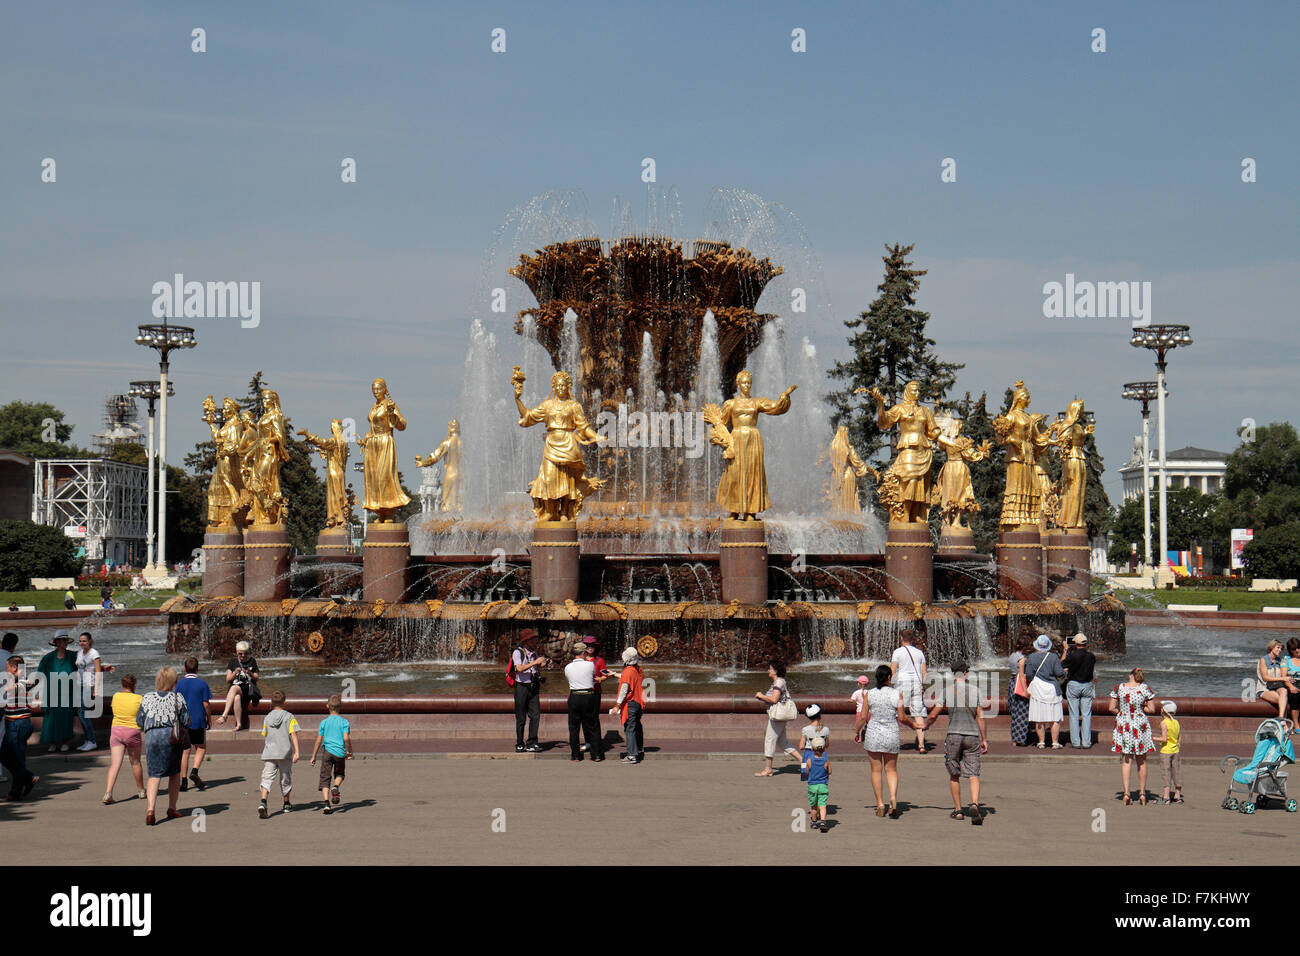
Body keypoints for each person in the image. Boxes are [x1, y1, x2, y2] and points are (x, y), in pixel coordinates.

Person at [923, 660, 988, 824]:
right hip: (972, 735)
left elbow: (934, 714)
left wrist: (925, 725)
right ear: (966, 673)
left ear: (953, 673)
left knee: (954, 773)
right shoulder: (976, 691)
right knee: (973, 774)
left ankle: (958, 810)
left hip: (953, 735)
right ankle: (974, 803)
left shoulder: (947, 691)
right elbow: (980, 716)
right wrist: (984, 738)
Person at [856, 665, 916, 818]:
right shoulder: (898, 695)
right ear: (889, 678)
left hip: (874, 734)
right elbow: (902, 718)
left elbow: (863, 717)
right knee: (891, 770)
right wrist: (913, 725)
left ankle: (880, 804)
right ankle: (893, 798)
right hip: (891, 734)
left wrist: (857, 731)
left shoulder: (869, 694)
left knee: (876, 770)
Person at [136, 666, 189, 826]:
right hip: (171, 737)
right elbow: (186, 720)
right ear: (173, 681)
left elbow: (139, 720)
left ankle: (151, 809)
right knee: (174, 774)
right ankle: (172, 808)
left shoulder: (147, 697)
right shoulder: (177, 698)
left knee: (154, 775)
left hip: (152, 737)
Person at [1110, 666, 1157, 806]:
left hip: (1125, 724)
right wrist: (1141, 708)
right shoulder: (1145, 688)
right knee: (1141, 761)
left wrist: (1122, 712)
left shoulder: (1119, 688)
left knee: (1126, 760)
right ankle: (1142, 794)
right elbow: (1152, 709)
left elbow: (1111, 708)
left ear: (1130, 675)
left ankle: (1126, 793)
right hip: (1140, 725)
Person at [103, 673, 145, 804]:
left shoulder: (116, 696)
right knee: (136, 763)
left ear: (122, 685)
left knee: (115, 764)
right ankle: (141, 791)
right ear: (135, 685)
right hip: (132, 732)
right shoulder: (139, 698)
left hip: (116, 731)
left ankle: (108, 793)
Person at [754, 660, 801, 777]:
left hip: (777, 717)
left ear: (775, 671)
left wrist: (761, 696)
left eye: (770, 669)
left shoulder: (779, 682)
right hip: (779, 716)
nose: (768, 671)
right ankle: (804, 762)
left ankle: (768, 768)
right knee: (783, 742)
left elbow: (774, 699)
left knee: (769, 740)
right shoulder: (779, 682)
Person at [1, 654, 39, 800]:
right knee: (4, 755)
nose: (5, 671)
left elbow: (9, 689)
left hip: (19, 724)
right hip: (11, 723)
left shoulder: (23, 681)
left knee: (18, 759)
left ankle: (15, 792)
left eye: (7, 668)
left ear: (15, 668)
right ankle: (28, 777)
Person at [258, 690, 300, 818]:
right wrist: (297, 751)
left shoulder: (267, 717)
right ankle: (286, 804)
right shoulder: (289, 717)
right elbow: (293, 734)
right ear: (284, 702)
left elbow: (265, 734)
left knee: (267, 778)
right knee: (285, 778)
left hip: (270, 753)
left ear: (271, 702)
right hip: (284, 753)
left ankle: (263, 802)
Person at [310, 694, 352, 814]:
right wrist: (349, 750)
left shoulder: (324, 722)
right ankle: (336, 786)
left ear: (327, 706)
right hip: (339, 752)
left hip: (327, 752)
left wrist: (313, 756)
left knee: (325, 777)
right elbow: (346, 738)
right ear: (340, 707)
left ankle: (327, 804)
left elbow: (318, 740)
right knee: (339, 774)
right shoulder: (344, 722)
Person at [37, 630, 77, 752]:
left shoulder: (73, 656)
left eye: (65, 640)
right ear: (56, 642)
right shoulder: (48, 658)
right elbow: (39, 675)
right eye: (61, 640)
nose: (64, 642)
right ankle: (53, 743)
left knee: (66, 717)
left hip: (68, 692)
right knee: (51, 718)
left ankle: (65, 742)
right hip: (51, 692)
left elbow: (85, 668)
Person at [176, 658, 212, 792]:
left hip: (184, 722)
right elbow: (206, 704)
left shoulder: (179, 684)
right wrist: (209, 718)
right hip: (198, 720)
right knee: (201, 747)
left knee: (185, 751)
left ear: (184, 669)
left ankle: (184, 781)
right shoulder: (202, 684)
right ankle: (195, 771)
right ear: (197, 669)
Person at [890, 629, 928, 751]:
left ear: (901, 638)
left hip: (902, 684)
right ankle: (921, 745)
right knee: (918, 714)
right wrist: (923, 686)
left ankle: (893, 742)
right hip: (916, 684)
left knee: (896, 713)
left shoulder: (897, 652)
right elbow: (924, 672)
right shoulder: (919, 653)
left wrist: (887, 684)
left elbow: (892, 670)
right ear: (912, 639)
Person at [1024, 634, 1065, 749]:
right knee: (1055, 718)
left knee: (1039, 717)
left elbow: (1029, 675)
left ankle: (1041, 742)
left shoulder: (1031, 657)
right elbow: (1059, 673)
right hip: (1052, 689)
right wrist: (1064, 672)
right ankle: (1055, 742)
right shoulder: (1053, 657)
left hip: (1037, 688)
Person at [564, 641, 602, 761]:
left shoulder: (567, 667)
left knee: (574, 727)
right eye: (585, 652)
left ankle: (575, 755)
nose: (586, 653)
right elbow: (593, 677)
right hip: (588, 696)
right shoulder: (590, 665)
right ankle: (595, 755)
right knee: (593, 725)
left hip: (574, 696)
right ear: (582, 653)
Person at [74, 631, 112, 752]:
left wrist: (96, 689)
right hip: (79, 684)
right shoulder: (80, 652)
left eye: (84, 641)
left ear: (90, 641)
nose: (82, 643)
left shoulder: (94, 653)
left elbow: (97, 671)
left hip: (88, 685)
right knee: (81, 712)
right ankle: (87, 741)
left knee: (83, 713)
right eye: (80, 641)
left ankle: (92, 741)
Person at [510, 630, 546, 753]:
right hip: (521, 687)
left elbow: (534, 667)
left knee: (535, 715)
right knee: (521, 717)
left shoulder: (534, 652)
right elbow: (519, 668)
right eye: (532, 639)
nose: (535, 641)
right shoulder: (517, 652)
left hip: (533, 686)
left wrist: (542, 664)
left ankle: (532, 742)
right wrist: (535, 662)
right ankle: (519, 743)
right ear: (526, 641)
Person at [610, 646, 646, 764]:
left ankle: (631, 755)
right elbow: (629, 678)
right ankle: (639, 749)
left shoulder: (628, 671)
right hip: (638, 702)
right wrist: (614, 674)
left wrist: (617, 705)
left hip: (630, 704)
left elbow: (624, 689)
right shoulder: (637, 669)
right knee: (637, 726)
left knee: (629, 729)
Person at [1061, 632, 1097, 748]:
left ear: (1075, 643)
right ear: (1086, 643)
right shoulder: (1091, 656)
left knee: (1073, 714)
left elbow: (1061, 665)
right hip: (1087, 685)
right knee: (1086, 715)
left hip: (1074, 685)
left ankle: (1076, 742)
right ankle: (1086, 742)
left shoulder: (1072, 655)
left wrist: (1066, 650)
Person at [217, 641, 260, 728]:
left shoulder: (252, 661)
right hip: (236, 689)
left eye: (245, 653)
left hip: (247, 689)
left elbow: (256, 678)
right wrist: (235, 673)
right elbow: (228, 679)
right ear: (237, 652)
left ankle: (224, 715)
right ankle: (239, 724)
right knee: (236, 697)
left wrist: (250, 673)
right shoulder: (233, 661)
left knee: (234, 688)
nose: (243, 656)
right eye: (240, 654)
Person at [1153, 700, 1183, 805]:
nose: (1160, 709)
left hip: (1166, 751)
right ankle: (1177, 795)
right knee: (1176, 772)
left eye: (1162, 707)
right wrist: (1177, 745)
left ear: (1164, 711)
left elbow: (1164, 739)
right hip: (1175, 751)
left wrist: (1154, 738)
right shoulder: (1176, 722)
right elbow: (1179, 738)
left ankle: (1166, 797)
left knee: (1166, 772)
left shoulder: (1163, 723)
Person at [1256, 640, 1294, 720]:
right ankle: (1283, 724)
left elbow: (1285, 673)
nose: (1280, 650)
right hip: (1264, 689)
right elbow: (1265, 678)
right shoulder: (1263, 660)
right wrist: (1282, 678)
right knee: (1283, 700)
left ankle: (1281, 718)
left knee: (1284, 691)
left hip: (1276, 687)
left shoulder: (1279, 661)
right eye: (1278, 648)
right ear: (1271, 648)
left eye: (1281, 649)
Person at [803, 738, 831, 832]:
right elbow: (830, 772)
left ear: (812, 749)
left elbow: (807, 772)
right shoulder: (826, 761)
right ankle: (823, 822)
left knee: (813, 806)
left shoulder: (809, 760)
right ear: (824, 749)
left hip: (812, 786)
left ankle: (814, 823)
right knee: (822, 805)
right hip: (823, 785)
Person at [1009, 636, 1031, 746]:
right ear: (1025, 647)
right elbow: (1021, 676)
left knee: (1014, 711)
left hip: (1012, 683)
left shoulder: (1012, 656)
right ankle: (1021, 739)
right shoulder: (1022, 659)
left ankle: (1014, 739)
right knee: (1022, 712)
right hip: (1019, 684)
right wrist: (1025, 690)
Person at [1286, 638, 1300, 727]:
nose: (1297, 650)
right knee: (1294, 696)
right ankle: (1296, 724)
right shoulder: (1286, 659)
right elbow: (1284, 676)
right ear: (1290, 650)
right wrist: (1290, 686)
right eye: (1294, 649)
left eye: (1298, 647)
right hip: (1292, 683)